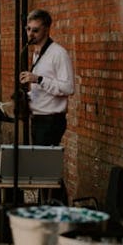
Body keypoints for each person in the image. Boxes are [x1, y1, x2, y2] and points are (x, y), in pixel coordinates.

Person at [19, 8, 74, 146]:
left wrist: (39, 79)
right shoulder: (37, 53)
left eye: (35, 30)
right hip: (38, 118)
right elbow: (42, 90)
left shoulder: (58, 53)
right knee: (40, 165)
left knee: (44, 166)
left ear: (47, 30)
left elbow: (68, 88)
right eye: (28, 29)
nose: (30, 34)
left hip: (51, 121)